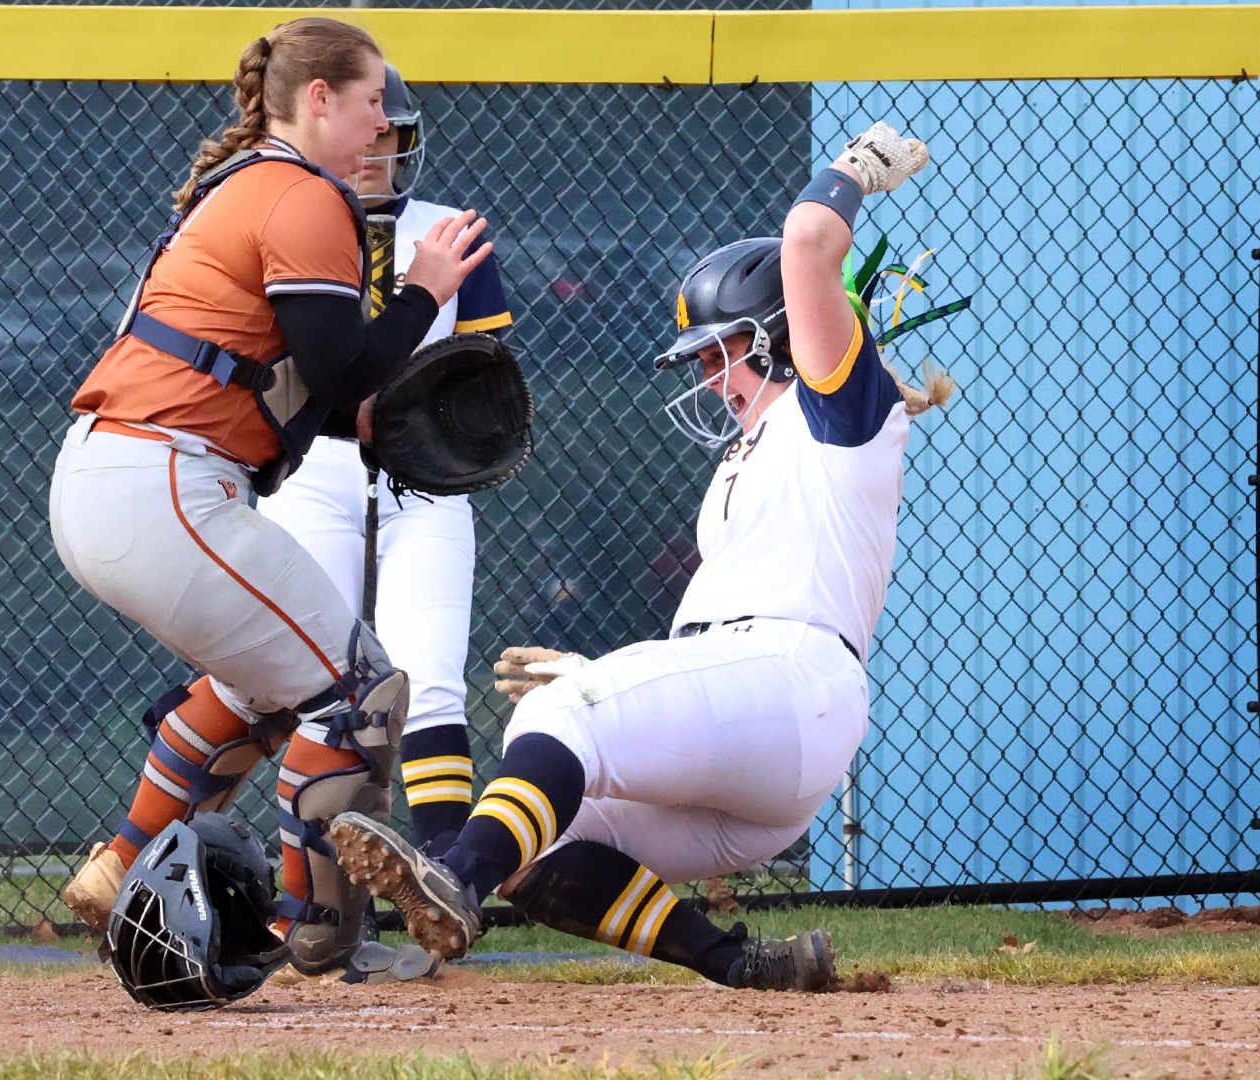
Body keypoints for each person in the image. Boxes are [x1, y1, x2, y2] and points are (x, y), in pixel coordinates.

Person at [330, 121, 956, 992]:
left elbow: (809, 242)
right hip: (761, 712)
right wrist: (613, 681)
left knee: (548, 729)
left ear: (774, 334)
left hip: (794, 681)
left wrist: (849, 173)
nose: (710, 377)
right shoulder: (758, 445)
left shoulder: (839, 411)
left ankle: (453, 881)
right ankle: (741, 961)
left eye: (720, 353)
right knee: (541, 838)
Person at [48, 17, 494, 984]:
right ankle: (319, 925)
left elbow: (281, 382)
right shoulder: (302, 196)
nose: (384, 123)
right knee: (361, 690)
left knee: (261, 687)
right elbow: (340, 374)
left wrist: (362, 427)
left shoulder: (251, 183)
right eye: (372, 100)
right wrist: (420, 293)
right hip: (162, 482)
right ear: (319, 99)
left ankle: (122, 862)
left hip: (120, 478)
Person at [256, 63, 513, 862]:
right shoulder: (292, 216)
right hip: (312, 471)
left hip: (424, 481)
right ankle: (309, 891)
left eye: (389, 134)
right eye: (368, 128)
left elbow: (485, 368)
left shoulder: (452, 232)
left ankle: (446, 881)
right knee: (317, 684)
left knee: (429, 680)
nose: (375, 148)